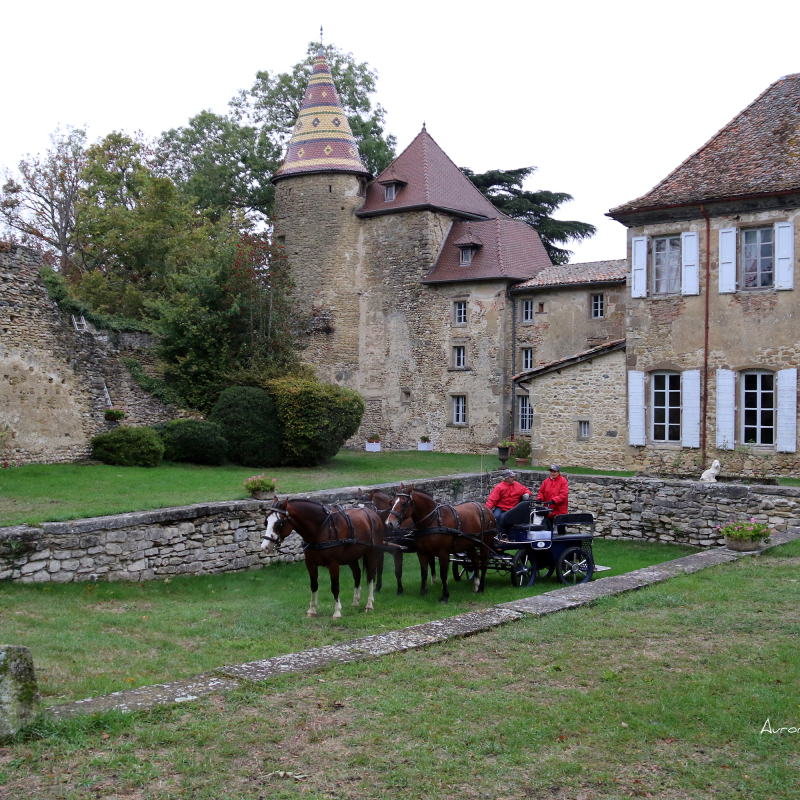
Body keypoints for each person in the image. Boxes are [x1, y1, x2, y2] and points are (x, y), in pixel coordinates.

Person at [485, 470, 531, 534]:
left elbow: (526, 490)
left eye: (513, 477)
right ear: (506, 478)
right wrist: (486, 510)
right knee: (496, 516)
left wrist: (527, 494)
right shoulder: (499, 487)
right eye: (511, 477)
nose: (514, 478)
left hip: (513, 509)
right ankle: (497, 534)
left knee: (502, 517)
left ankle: (502, 534)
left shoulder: (518, 485)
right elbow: (492, 500)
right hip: (501, 508)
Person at [536, 465, 569, 532]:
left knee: (561, 529)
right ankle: (549, 541)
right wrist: (540, 498)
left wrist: (554, 500)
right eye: (551, 471)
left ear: (558, 472)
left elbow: (563, 494)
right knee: (547, 528)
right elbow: (541, 491)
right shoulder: (546, 481)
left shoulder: (563, 481)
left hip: (559, 509)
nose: (552, 473)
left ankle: (562, 541)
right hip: (549, 509)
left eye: (554, 472)